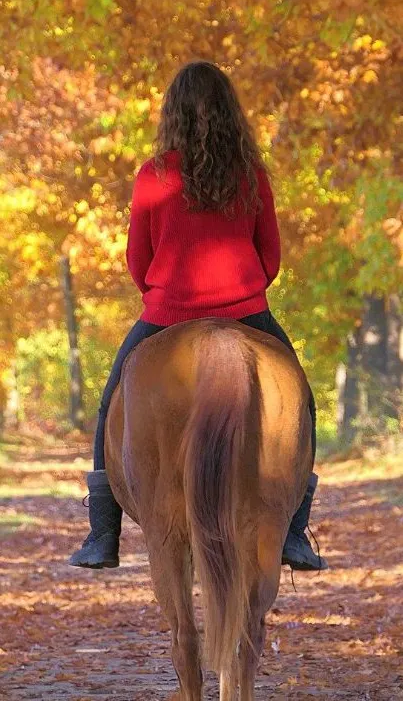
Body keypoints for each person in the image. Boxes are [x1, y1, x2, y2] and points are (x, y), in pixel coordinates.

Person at [69, 61, 328, 573]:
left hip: (168, 314)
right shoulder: (251, 174)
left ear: (172, 113)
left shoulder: (155, 175)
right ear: (232, 113)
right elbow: (270, 255)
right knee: (302, 403)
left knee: (109, 405)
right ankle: (295, 532)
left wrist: (166, 296)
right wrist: (240, 293)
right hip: (246, 311)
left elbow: (137, 260)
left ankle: (103, 534)